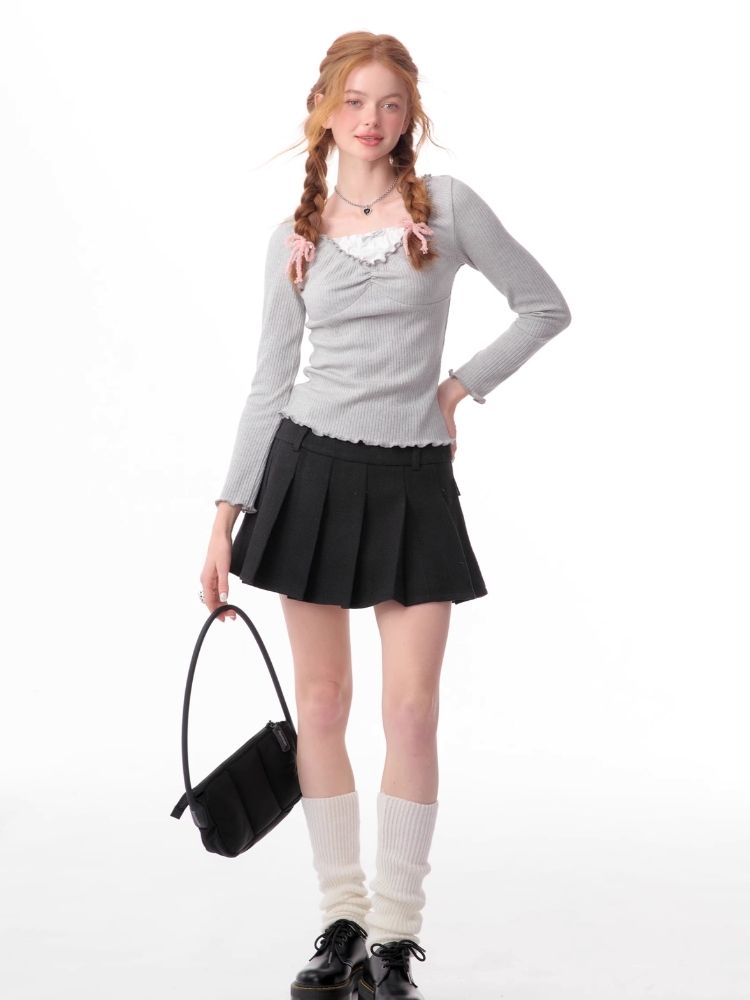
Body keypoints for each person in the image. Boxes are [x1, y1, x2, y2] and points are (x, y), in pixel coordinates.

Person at [199, 31, 571, 1000]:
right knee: (322, 705)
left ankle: (396, 939)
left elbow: (544, 306)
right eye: (356, 101)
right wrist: (225, 514)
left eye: (391, 103)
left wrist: (457, 388)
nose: (373, 119)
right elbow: (268, 384)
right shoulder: (295, 238)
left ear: (411, 116)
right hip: (308, 476)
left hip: (412, 481)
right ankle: (341, 920)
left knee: (411, 711)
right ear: (326, 111)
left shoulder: (447, 206)